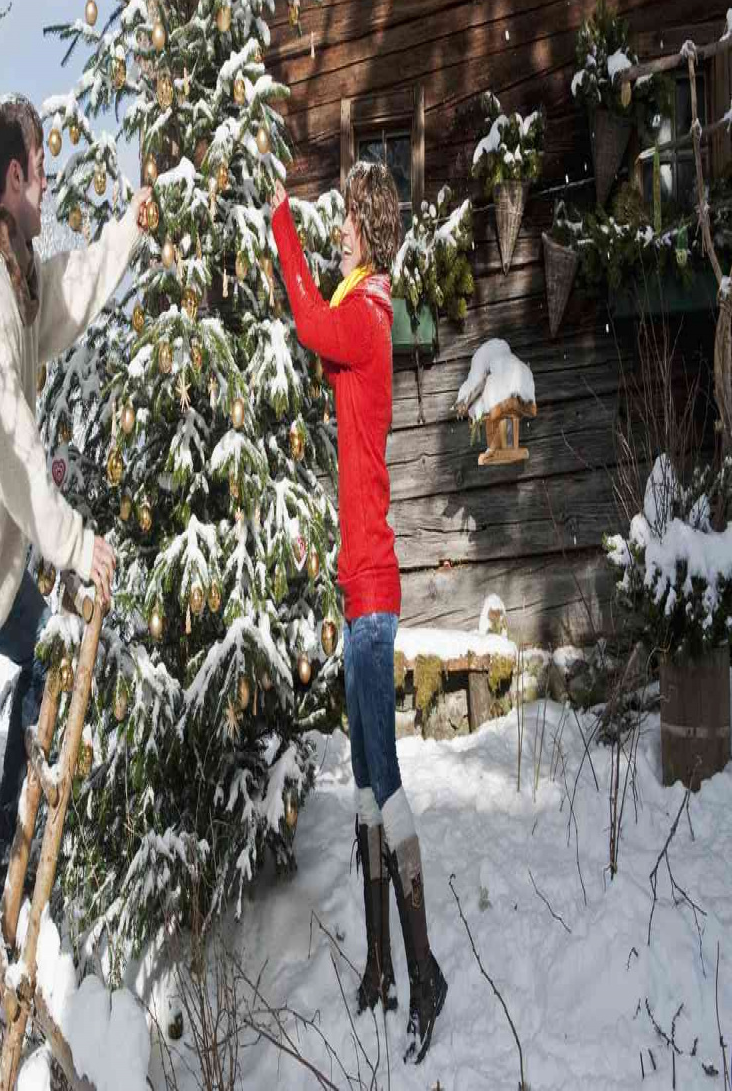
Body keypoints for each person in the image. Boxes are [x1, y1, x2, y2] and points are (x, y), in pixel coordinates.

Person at [0, 96, 150, 1088]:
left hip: (3, 575)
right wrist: (72, 538)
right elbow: (14, 442)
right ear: (14, 177)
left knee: (52, 650)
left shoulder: (19, 274)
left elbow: (63, 295)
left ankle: (9, 878)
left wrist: (131, 232)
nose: (48, 183)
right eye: (43, 170)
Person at [271, 161, 446, 1065]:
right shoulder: (363, 307)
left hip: (373, 595)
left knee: (387, 786)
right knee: (368, 791)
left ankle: (426, 972)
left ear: (369, 231)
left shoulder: (368, 315)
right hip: (358, 591)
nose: (337, 230)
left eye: (345, 222)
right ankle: (381, 963)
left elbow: (309, 320)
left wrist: (281, 225)